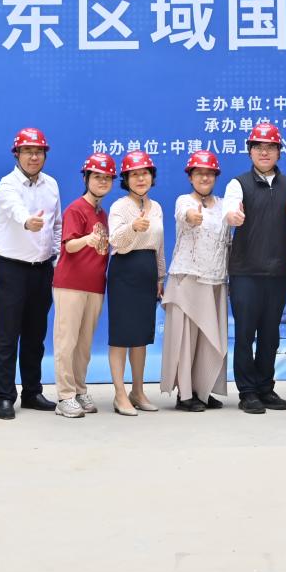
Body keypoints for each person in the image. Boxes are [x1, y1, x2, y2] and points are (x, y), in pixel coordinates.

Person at [223, 122, 286, 414]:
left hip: (278, 273)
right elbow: (230, 208)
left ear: (279, 152)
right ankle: (247, 391)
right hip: (245, 273)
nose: (264, 152)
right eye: (258, 147)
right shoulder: (238, 184)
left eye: (270, 147)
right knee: (245, 334)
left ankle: (266, 387)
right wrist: (233, 216)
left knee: (270, 335)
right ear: (250, 151)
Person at [0, 127, 61, 419]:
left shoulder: (51, 185)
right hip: (11, 268)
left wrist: (56, 260)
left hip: (42, 268)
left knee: (35, 335)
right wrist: (27, 221)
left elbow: (57, 225)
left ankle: (32, 392)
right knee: (8, 335)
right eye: (28, 151)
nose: (34, 157)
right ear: (17, 154)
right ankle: (5, 396)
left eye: (39, 152)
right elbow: (14, 209)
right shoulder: (7, 184)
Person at [164, 150, 233, 411]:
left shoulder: (224, 205)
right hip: (188, 279)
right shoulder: (184, 201)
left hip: (215, 280)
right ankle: (184, 394)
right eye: (199, 173)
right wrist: (191, 217)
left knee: (209, 340)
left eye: (209, 173)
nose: (204, 178)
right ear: (190, 177)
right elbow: (184, 214)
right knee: (186, 340)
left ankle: (202, 390)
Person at [51, 152, 116, 418]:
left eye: (107, 178)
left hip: (95, 285)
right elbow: (69, 246)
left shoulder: (104, 214)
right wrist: (87, 239)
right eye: (97, 176)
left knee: (84, 344)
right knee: (66, 341)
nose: (102, 181)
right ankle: (64, 396)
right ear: (86, 178)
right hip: (70, 285)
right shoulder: (76, 209)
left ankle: (79, 389)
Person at [106, 150, 164, 415]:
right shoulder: (120, 207)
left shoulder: (157, 207)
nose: (141, 179)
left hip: (147, 272)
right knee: (121, 336)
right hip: (124, 271)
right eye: (135, 174)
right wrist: (133, 228)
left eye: (145, 173)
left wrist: (160, 276)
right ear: (126, 179)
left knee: (140, 337)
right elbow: (115, 241)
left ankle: (138, 391)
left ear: (152, 177)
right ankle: (120, 394)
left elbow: (159, 246)